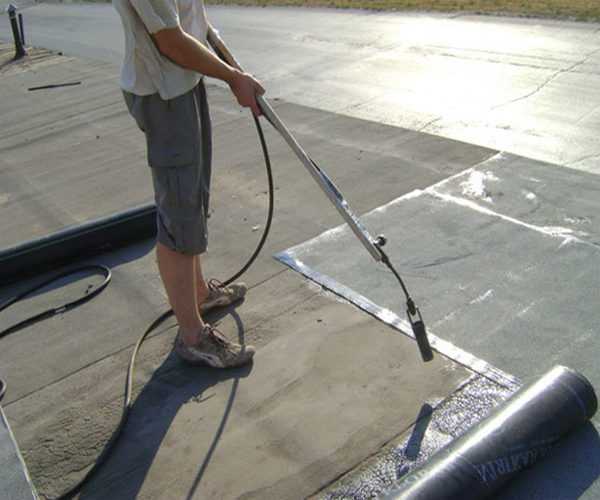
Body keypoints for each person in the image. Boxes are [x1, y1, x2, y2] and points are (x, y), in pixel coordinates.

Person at [113, 0, 264, 368]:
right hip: (164, 94)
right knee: (179, 215)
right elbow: (170, 39)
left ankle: (199, 295)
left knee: (192, 200)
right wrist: (232, 78)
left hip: (186, 80)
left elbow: (192, 18)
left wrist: (232, 66)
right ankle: (192, 336)